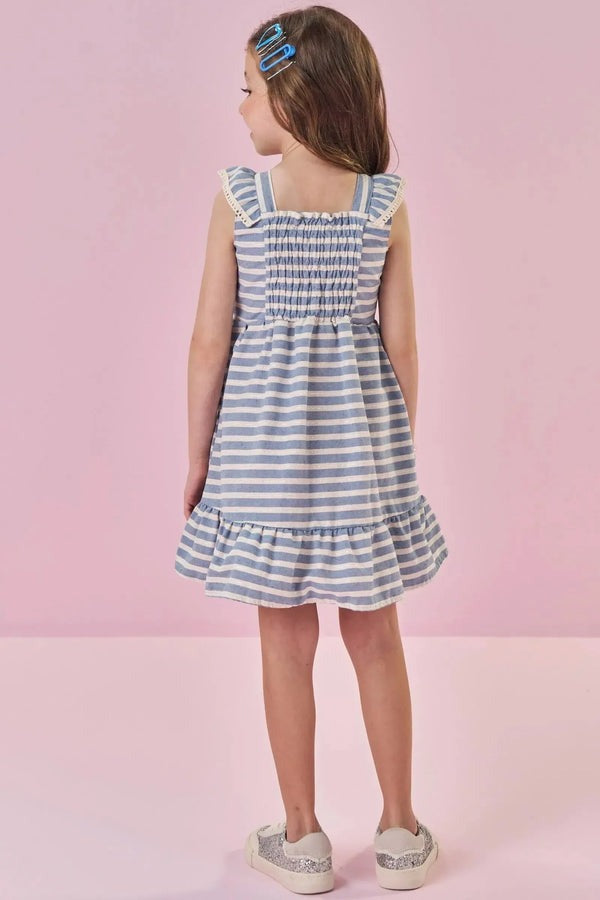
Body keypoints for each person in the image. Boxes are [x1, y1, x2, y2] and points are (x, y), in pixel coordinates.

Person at [174, 5, 448, 893]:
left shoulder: (241, 201)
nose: (240, 108)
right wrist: (393, 456)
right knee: (378, 641)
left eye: (250, 90)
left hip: (260, 466)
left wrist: (199, 456)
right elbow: (402, 348)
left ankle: (301, 840)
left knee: (285, 646)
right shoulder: (383, 206)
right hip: (360, 468)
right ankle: (400, 832)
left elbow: (208, 343)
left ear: (292, 99)